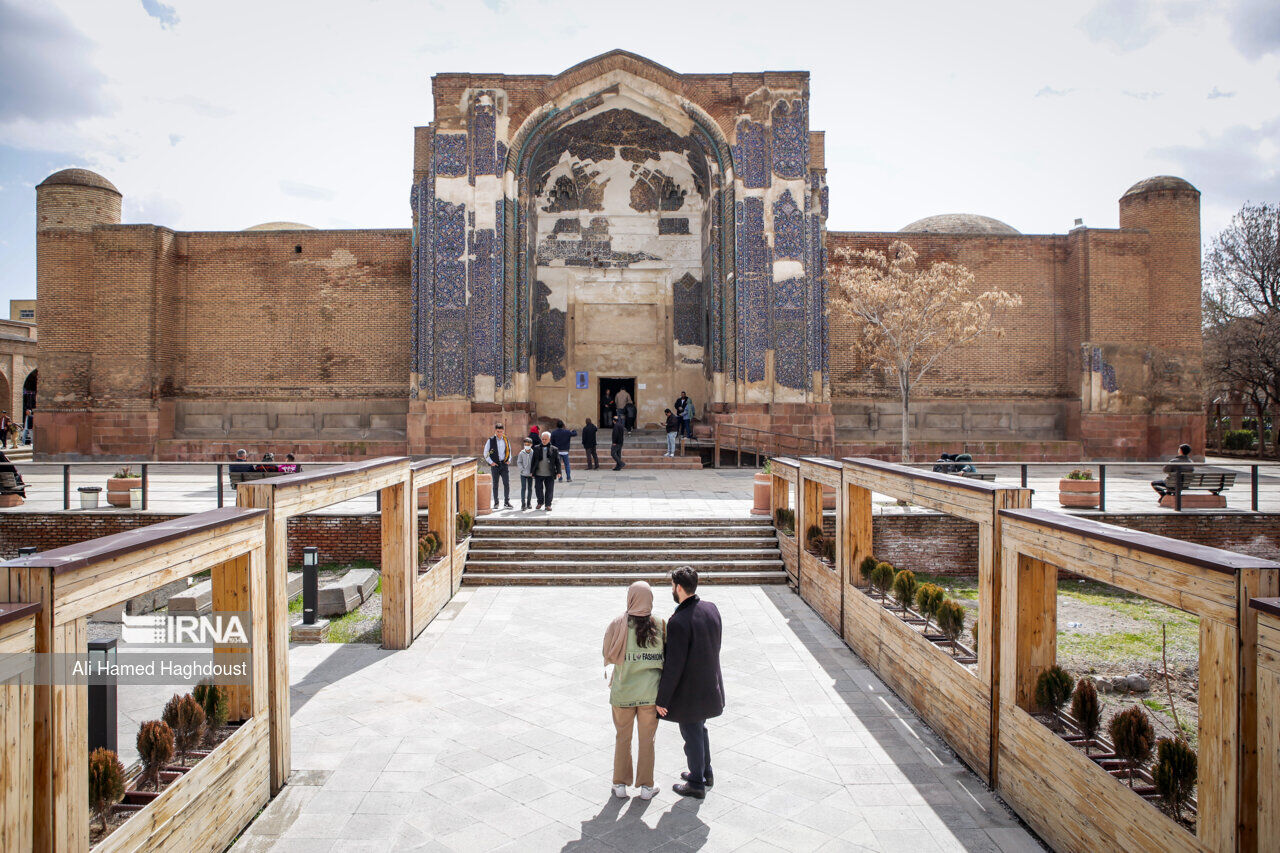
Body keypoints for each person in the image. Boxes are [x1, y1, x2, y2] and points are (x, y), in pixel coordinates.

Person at [656, 566, 724, 799]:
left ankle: (696, 782)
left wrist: (662, 699)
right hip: (710, 684)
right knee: (700, 729)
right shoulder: (711, 609)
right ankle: (705, 771)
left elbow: (674, 666)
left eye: (672, 586)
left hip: (691, 691)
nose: (671, 590)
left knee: (692, 732)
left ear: (679, 588)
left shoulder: (679, 622)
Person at [603, 581, 665, 801]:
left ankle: (619, 784)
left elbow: (607, 654)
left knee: (623, 738)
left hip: (623, 693)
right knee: (647, 740)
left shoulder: (617, 624)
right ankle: (647, 787)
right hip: (650, 694)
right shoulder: (659, 624)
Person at [483, 423, 513, 509]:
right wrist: (491, 462)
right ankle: (496, 502)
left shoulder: (506, 440)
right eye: (498, 431)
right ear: (495, 431)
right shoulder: (491, 440)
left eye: (501, 431)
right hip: (495, 465)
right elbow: (485, 452)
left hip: (504, 464)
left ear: (503, 431)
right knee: (495, 484)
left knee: (506, 483)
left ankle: (507, 502)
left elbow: (509, 451)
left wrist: (509, 460)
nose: (499, 433)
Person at [531, 430, 561, 510]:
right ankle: (540, 502)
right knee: (538, 489)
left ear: (549, 439)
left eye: (545, 439)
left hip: (549, 473)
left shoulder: (554, 449)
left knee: (549, 490)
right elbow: (533, 461)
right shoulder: (536, 448)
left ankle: (548, 504)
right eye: (542, 439)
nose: (544, 441)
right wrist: (532, 471)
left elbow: (557, 462)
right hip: (538, 473)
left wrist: (559, 472)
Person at [516, 436, 535, 510]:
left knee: (530, 488)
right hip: (523, 474)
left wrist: (533, 472)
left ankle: (529, 503)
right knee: (523, 488)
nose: (526, 446)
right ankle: (523, 504)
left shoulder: (533, 453)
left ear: (531, 445)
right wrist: (522, 470)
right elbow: (519, 462)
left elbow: (534, 463)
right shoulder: (521, 453)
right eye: (525, 444)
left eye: (528, 444)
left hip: (530, 474)